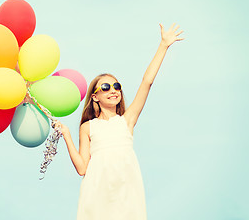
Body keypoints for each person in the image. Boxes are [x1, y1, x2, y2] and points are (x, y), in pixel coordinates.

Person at [55, 23, 184, 220]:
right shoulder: (88, 127)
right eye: (105, 87)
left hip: (126, 190)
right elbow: (82, 168)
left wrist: (163, 46)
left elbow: (147, 82)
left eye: (116, 86)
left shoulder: (127, 120)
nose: (113, 90)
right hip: (97, 191)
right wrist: (66, 135)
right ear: (95, 97)